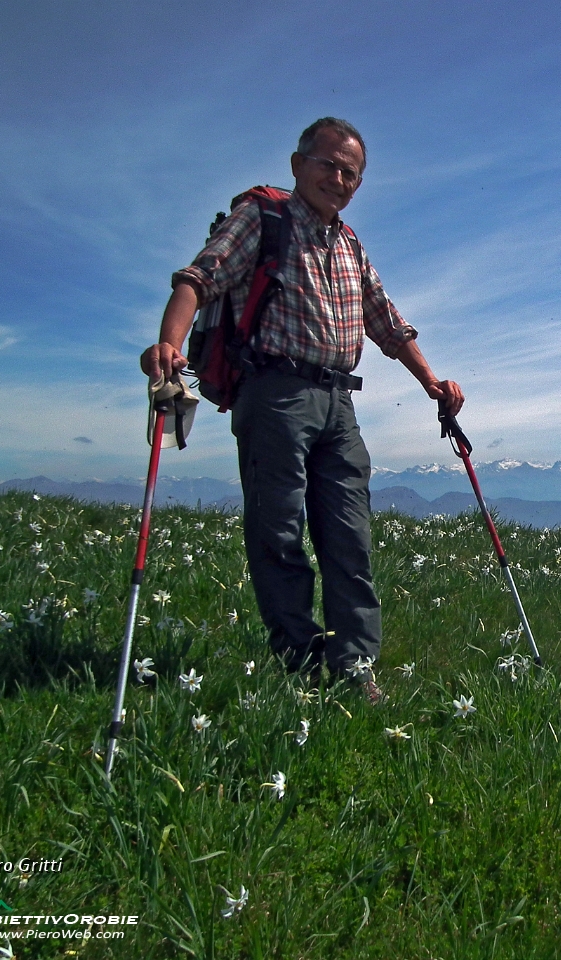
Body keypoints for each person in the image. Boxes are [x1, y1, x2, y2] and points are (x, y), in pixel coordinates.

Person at [140, 117, 463, 702]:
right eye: (329, 165)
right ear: (297, 164)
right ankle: (301, 661)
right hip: (276, 393)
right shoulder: (262, 221)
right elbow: (199, 279)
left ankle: (354, 667)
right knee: (279, 529)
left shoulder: (349, 244)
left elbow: (386, 321)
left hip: (339, 400)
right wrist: (170, 341)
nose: (339, 179)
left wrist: (431, 382)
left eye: (352, 173)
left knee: (349, 534)